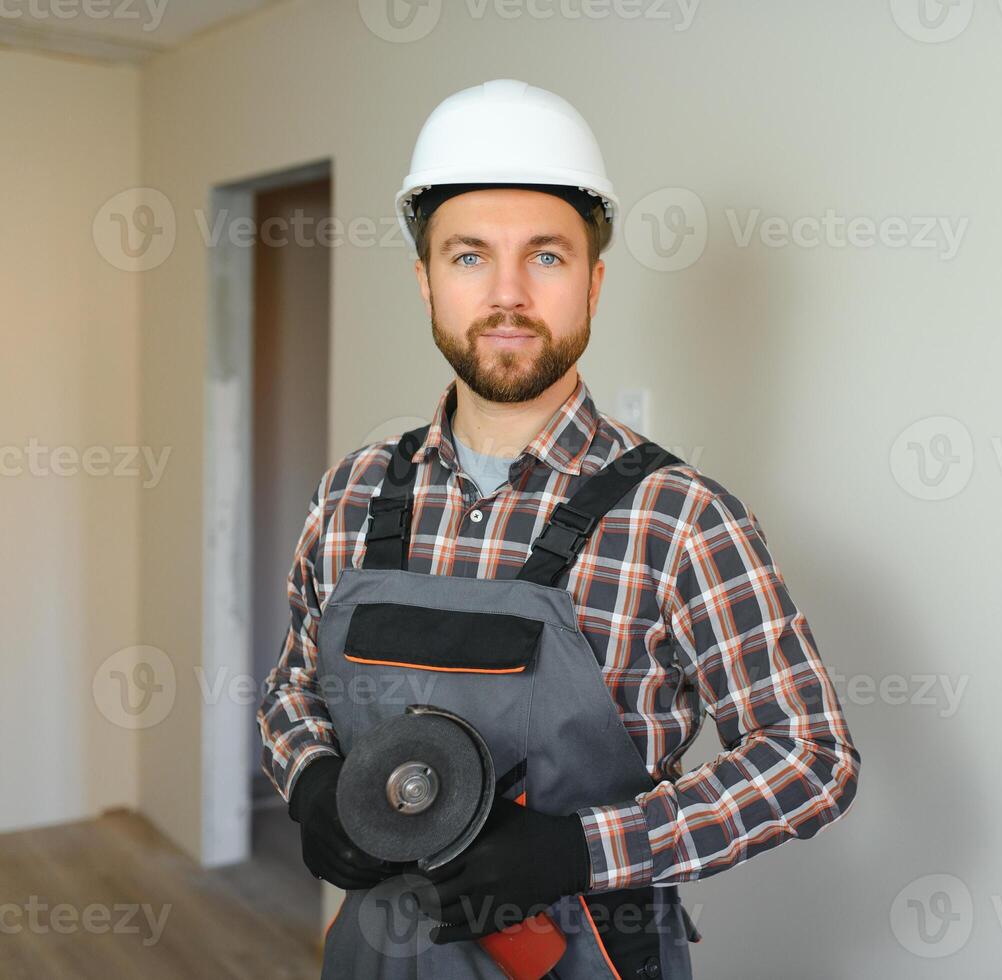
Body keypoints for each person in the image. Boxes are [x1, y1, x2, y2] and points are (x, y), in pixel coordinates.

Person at [255, 79, 859, 979]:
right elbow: (288, 689)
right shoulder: (350, 495)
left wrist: (582, 851)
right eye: (468, 257)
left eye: (545, 256)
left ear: (593, 282)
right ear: (423, 278)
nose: (506, 294)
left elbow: (811, 759)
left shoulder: (680, 518)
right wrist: (309, 782)